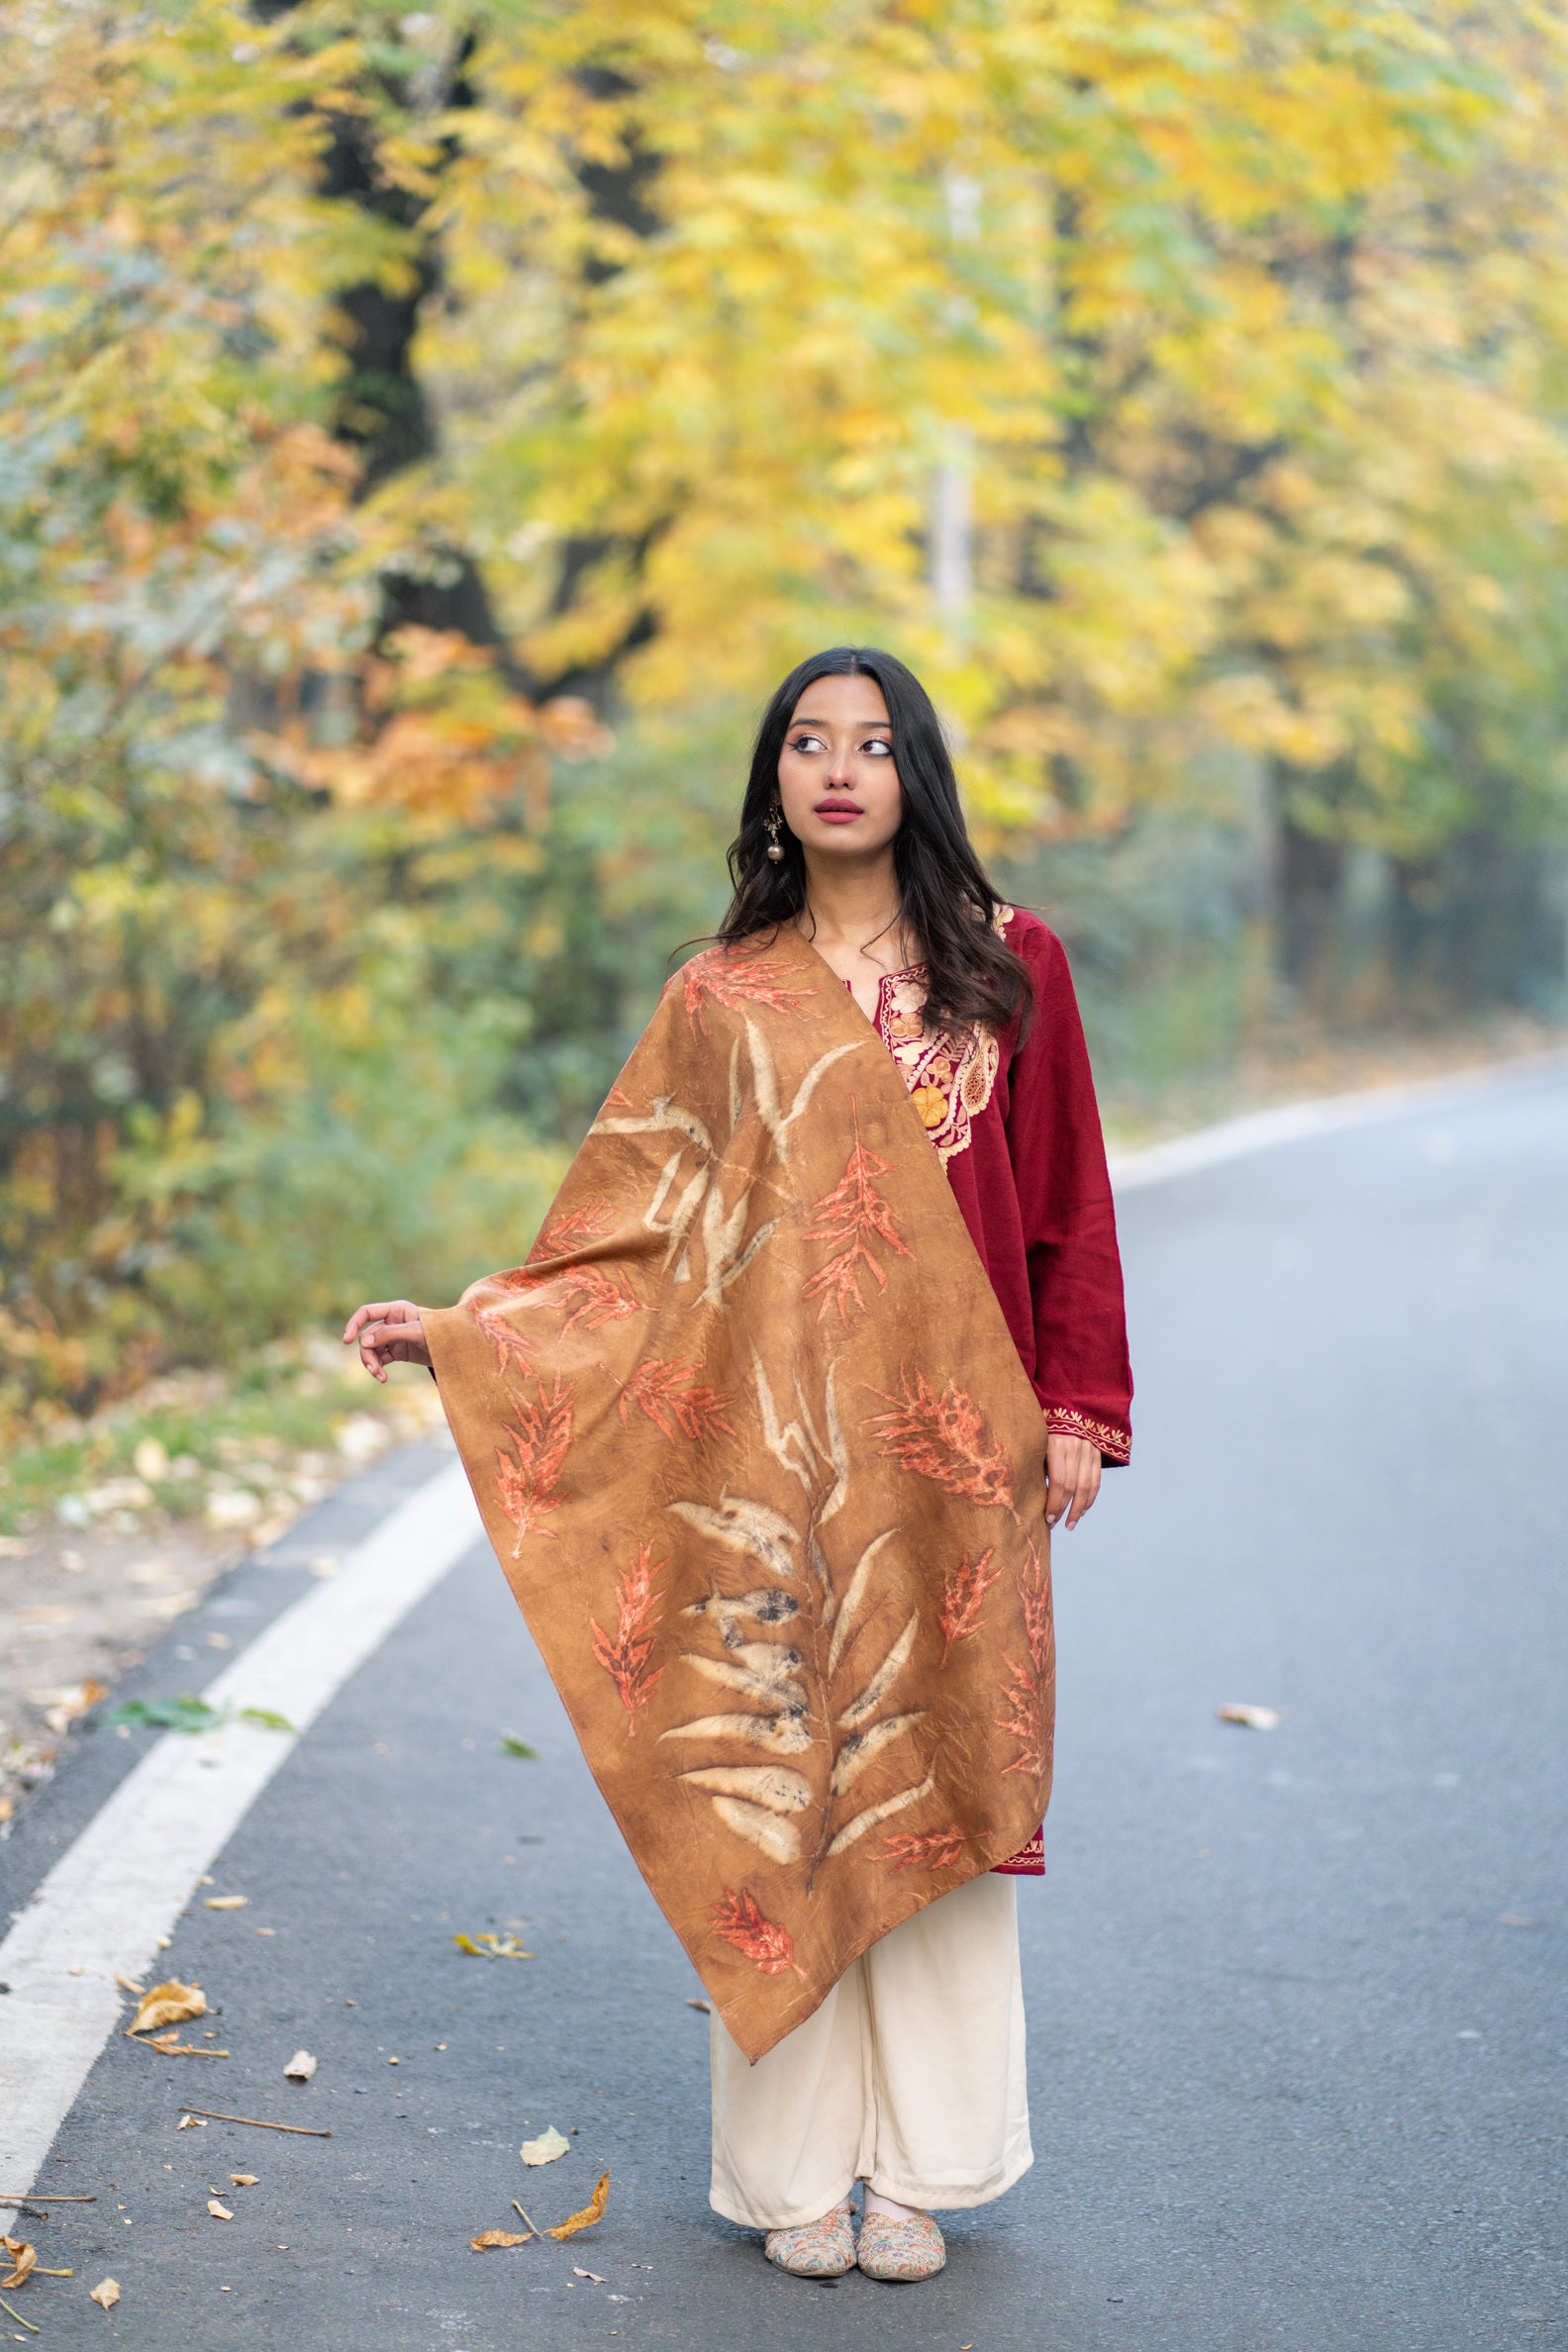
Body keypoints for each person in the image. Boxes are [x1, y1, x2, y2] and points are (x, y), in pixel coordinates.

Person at [344, 646, 1131, 2284]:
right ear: (775, 778)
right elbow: (631, 1241)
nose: (838, 767)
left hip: (954, 1451)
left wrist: (1078, 1408)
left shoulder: (1008, 965)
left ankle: (922, 2169)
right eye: (805, 742)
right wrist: (466, 1330)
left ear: (916, 768)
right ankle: (793, 2179)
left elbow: (1067, 1203)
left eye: (871, 742)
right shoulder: (723, 995)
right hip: (773, 1467)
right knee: (782, 1783)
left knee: (936, 1783)